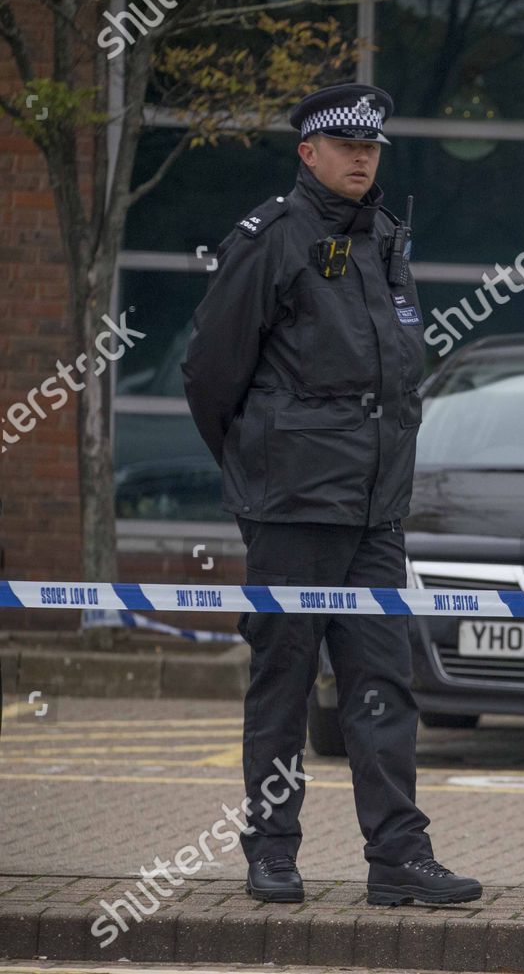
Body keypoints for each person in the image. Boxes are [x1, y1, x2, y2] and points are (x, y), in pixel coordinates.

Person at [181, 83, 480, 907]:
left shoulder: (384, 239)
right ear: (307, 153)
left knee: (384, 683)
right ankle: (272, 850)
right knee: (283, 682)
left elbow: (397, 379)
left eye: (372, 147)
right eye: (345, 145)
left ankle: (398, 858)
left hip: (375, 513)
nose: (361, 158)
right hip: (293, 510)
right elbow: (210, 373)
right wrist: (257, 472)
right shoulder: (274, 238)